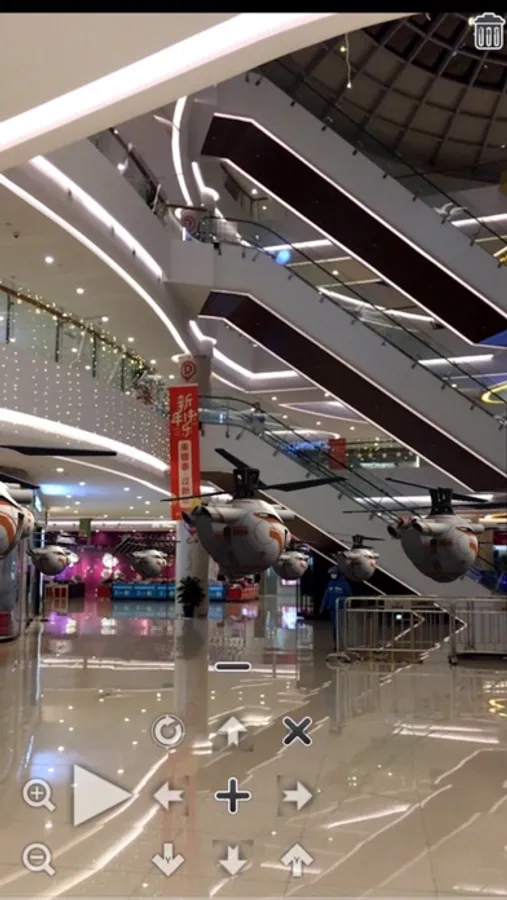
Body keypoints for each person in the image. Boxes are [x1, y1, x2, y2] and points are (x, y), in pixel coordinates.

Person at [320, 570, 352, 655]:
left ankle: (343, 645)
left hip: (341, 609)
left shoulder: (344, 584)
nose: (332, 575)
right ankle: (336, 644)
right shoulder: (330, 583)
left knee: (341, 627)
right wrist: (322, 606)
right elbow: (326, 595)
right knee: (334, 628)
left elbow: (349, 595)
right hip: (332, 609)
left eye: (333, 573)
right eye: (331, 574)